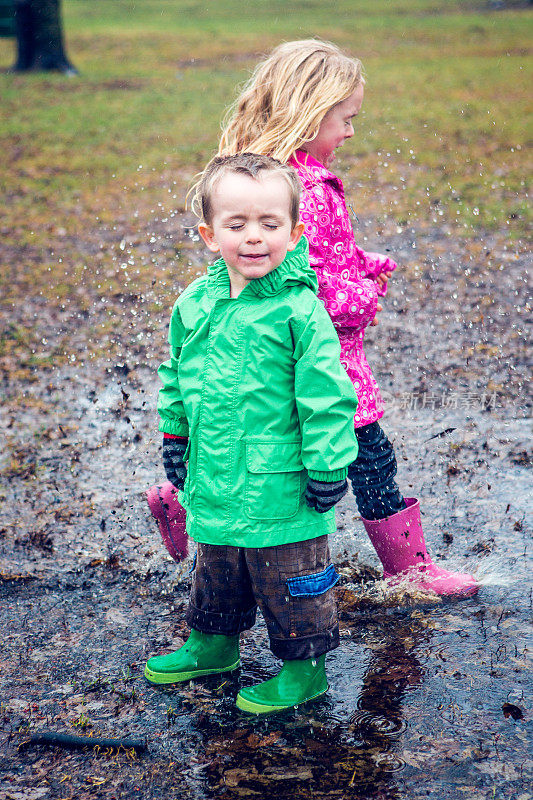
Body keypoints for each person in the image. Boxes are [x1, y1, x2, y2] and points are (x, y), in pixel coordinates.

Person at [213, 39, 478, 597]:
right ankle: (411, 569)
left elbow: (311, 259)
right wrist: (363, 296)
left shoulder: (266, 178)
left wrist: (364, 263)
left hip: (276, 357)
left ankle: (179, 493)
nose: (351, 132)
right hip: (322, 362)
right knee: (370, 455)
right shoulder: (309, 188)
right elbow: (317, 286)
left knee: (254, 451)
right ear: (310, 111)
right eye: (346, 119)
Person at [144, 153, 360, 714]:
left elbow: (328, 395)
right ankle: (213, 642)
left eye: (269, 224)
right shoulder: (196, 303)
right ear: (210, 235)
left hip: (281, 479)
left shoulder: (299, 310)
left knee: (292, 574)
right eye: (236, 225)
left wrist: (328, 463)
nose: (254, 238)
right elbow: (177, 372)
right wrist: (175, 434)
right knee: (217, 561)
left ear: (294, 231)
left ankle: (303, 667)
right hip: (213, 471)